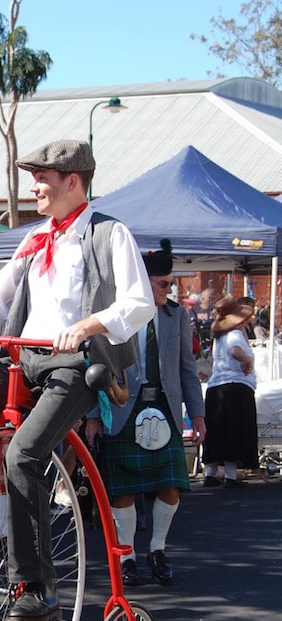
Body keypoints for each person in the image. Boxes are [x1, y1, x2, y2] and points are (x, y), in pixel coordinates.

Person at [0, 139, 154, 621]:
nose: (34, 188)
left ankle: (37, 586)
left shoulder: (109, 234)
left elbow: (139, 304)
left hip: (74, 365)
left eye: (42, 180)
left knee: (23, 454)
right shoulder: (35, 240)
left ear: (73, 182)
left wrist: (88, 325)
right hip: (22, 358)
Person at [84, 241, 206, 586]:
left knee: (172, 485)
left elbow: (187, 367)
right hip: (123, 407)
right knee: (122, 489)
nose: (170, 290)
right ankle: (128, 556)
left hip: (164, 409)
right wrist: (93, 416)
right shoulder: (114, 315)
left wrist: (197, 415)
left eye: (171, 283)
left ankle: (158, 549)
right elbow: (97, 366)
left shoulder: (176, 315)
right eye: (163, 284)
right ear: (143, 281)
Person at [202, 296, 258, 488]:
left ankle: (210, 472)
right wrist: (248, 361)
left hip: (216, 385)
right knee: (234, 429)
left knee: (217, 430)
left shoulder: (219, 336)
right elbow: (235, 351)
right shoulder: (234, 334)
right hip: (235, 386)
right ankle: (231, 476)